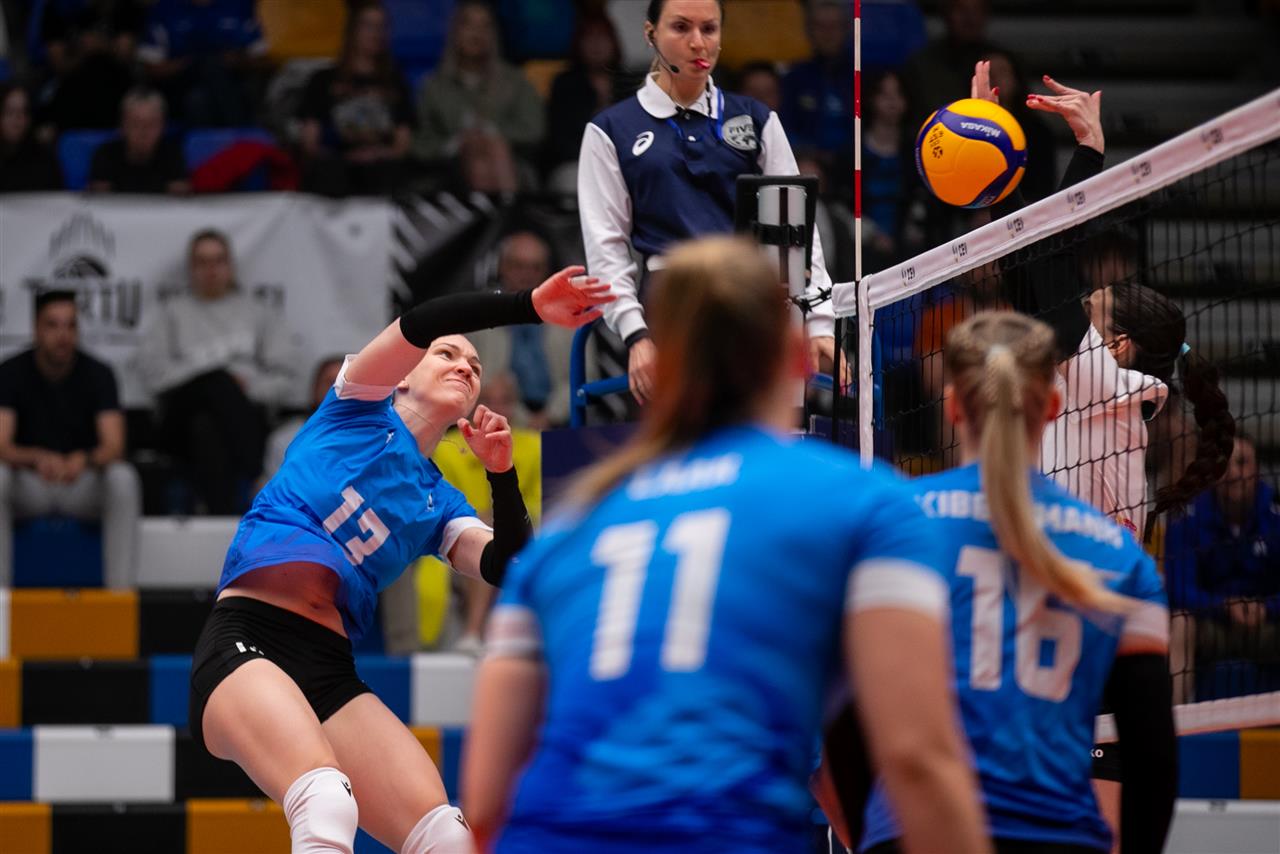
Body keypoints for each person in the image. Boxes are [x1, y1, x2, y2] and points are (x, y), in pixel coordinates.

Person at [462, 236, 989, 854]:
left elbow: (487, 800)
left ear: (659, 368)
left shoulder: (569, 528)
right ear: (798, 358)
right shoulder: (863, 503)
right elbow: (918, 760)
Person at [186, 264, 612, 854]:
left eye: (475, 366)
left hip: (328, 667)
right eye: (447, 355)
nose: (466, 367)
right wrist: (528, 306)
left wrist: (502, 475)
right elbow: (424, 319)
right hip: (247, 638)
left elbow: (507, 564)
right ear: (403, 375)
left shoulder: (439, 501)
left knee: (446, 836)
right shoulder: (355, 406)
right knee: (326, 800)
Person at [822, 311, 1177, 854]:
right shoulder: (1119, 557)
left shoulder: (892, 525)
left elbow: (840, 711)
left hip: (917, 831)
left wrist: (873, 833)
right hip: (1057, 837)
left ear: (952, 405)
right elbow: (1153, 754)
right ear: (1053, 406)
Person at [578, 0, 840, 406]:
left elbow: (798, 228)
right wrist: (636, 336)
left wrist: (820, 321)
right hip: (672, 305)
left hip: (753, 305)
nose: (698, 42)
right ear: (650, 33)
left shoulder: (757, 119)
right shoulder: (609, 130)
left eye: (709, 29)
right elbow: (606, 250)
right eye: (681, 27)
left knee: (765, 435)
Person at [136, 229, 296, 514]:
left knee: (208, 427)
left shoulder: (258, 312)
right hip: (179, 423)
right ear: (190, 268)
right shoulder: (171, 313)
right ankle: (257, 476)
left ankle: (216, 514)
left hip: (243, 417)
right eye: (202, 262)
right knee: (216, 383)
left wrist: (245, 387)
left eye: (218, 261)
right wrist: (210, 377)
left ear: (230, 266)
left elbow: (286, 380)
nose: (211, 270)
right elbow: (153, 378)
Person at [0, 290, 141, 588]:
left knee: (123, 478)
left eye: (70, 325)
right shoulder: (11, 372)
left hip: (80, 482)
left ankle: (119, 599)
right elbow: (2, 444)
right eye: (53, 325)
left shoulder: (99, 373)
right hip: (32, 483)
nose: (62, 335)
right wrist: (35, 457)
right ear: (36, 329)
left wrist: (83, 459)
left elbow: (114, 446)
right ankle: (1, 602)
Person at [1165, 434, 1280, 702]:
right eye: (1225, 464)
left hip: (1266, 625)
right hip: (1212, 625)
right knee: (1179, 621)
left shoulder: (1275, 517)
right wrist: (1223, 606)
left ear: (1257, 469)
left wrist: (1267, 608)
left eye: (1242, 462)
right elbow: (1177, 589)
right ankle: (1173, 721)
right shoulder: (1187, 518)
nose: (1234, 473)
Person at [413, 0, 545, 194]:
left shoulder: (515, 81)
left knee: (492, 149)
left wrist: (493, 133)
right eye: (468, 24)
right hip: (450, 168)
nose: (476, 33)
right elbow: (419, 142)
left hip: (510, 162)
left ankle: (499, 207)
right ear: (455, 31)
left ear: (494, 34)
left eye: (484, 26)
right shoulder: (433, 86)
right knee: (474, 154)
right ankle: (504, 211)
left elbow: (534, 130)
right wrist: (456, 144)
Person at [297, 0, 415, 197]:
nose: (375, 33)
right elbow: (309, 143)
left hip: (381, 165)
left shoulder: (396, 82)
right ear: (352, 30)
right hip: (337, 164)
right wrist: (344, 157)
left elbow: (402, 144)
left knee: (393, 171)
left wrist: (379, 154)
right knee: (328, 172)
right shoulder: (322, 80)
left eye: (381, 26)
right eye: (368, 25)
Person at [467, 230, 575, 429]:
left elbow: (583, 379)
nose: (527, 275)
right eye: (519, 266)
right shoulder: (478, 316)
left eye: (536, 268)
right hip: (495, 423)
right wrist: (521, 419)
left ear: (547, 272)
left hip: (562, 423)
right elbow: (470, 378)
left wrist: (550, 416)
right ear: (502, 267)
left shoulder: (570, 317)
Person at [137, 0, 268, 127]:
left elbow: (260, 59)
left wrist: (236, 61)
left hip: (231, 80)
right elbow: (151, 67)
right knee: (205, 68)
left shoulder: (240, 5)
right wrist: (191, 63)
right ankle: (237, 129)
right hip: (179, 84)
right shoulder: (164, 8)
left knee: (199, 99)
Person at [543, 12, 628, 186]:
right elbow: (559, 139)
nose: (596, 44)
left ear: (613, 42)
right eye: (589, 38)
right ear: (578, 44)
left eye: (602, 37)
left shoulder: (629, 82)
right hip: (577, 161)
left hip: (624, 161)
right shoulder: (565, 84)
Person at [779, 0, 855, 159]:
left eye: (834, 26)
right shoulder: (794, 78)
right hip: (807, 162)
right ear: (809, 31)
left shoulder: (862, 76)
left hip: (856, 162)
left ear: (847, 29)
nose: (828, 34)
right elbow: (786, 129)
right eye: (820, 26)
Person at [260, 356, 346, 484]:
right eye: (330, 382)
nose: (337, 390)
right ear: (314, 389)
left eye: (345, 383)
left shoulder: (375, 441)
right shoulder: (285, 439)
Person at [88, 86, 189, 194]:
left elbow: (179, 198)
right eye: (136, 124)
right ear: (122, 125)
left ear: (163, 125)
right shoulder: (105, 154)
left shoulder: (172, 154)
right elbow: (100, 199)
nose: (143, 131)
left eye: (151, 124)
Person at [0, 83, 65, 192]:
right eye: (9, 112)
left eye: (24, 112)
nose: (17, 119)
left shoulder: (43, 159)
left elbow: (54, 196)